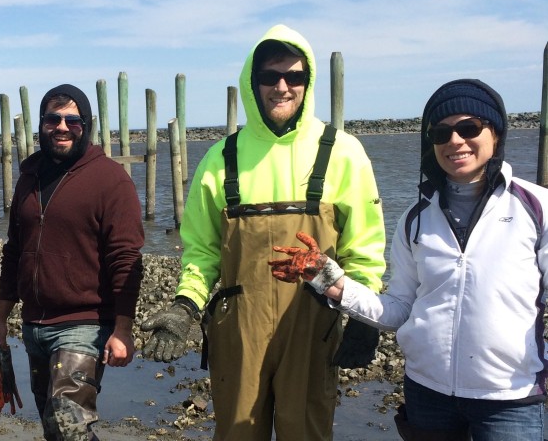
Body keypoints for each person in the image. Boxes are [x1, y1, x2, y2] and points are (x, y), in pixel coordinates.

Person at [140, 24, 387, 440]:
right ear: (252, 83)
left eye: (294, 76)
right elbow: (201, 253)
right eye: (270, 76)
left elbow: (364, 248)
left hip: (315, 327)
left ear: (308, 83)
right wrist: (185, 306)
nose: (282, 87)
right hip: (238, 332)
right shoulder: (221, 158)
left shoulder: (343, 152)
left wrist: (364, 317)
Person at [271, 79, 548, 441]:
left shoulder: (536, 208)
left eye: (469, 128)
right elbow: (399, 308)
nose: (455, 141)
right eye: (441, 133)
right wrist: (330, 281)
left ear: (495, 134)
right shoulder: (415, 219)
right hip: (427, 393)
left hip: (511, 400)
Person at [0, 84, 145, 440]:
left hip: (83, 324)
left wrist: (123, 330)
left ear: (86, 126)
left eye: (72, 120)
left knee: (67, 422)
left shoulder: (111, 180)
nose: (61, 127)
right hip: (34, 325)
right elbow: (14, 251)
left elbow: (126, 259)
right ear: (40, 124)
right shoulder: (28, 178)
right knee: (53, 428)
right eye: (52, 119)